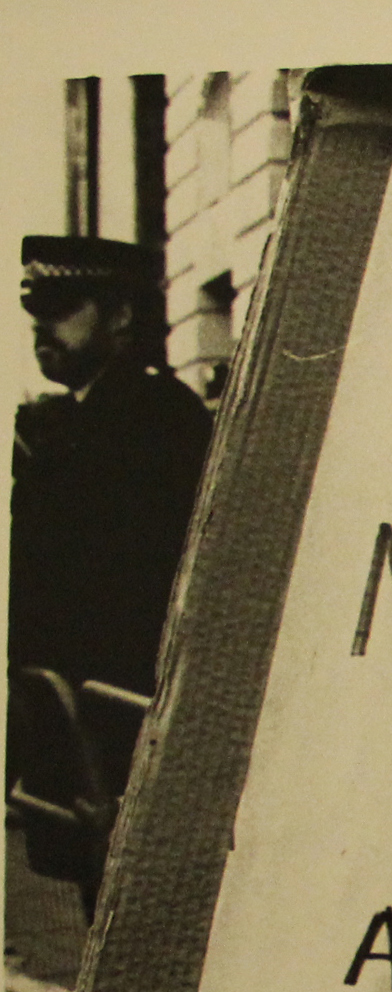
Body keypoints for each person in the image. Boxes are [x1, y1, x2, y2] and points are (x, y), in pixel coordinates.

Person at [11, 235, 211, 883]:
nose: (45, 325)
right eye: (37, 310)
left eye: (66, 307)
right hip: (78, 729)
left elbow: (169, 587)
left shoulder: (159, 420)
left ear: (121, 316)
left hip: (130, 728)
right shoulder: (66, 425)